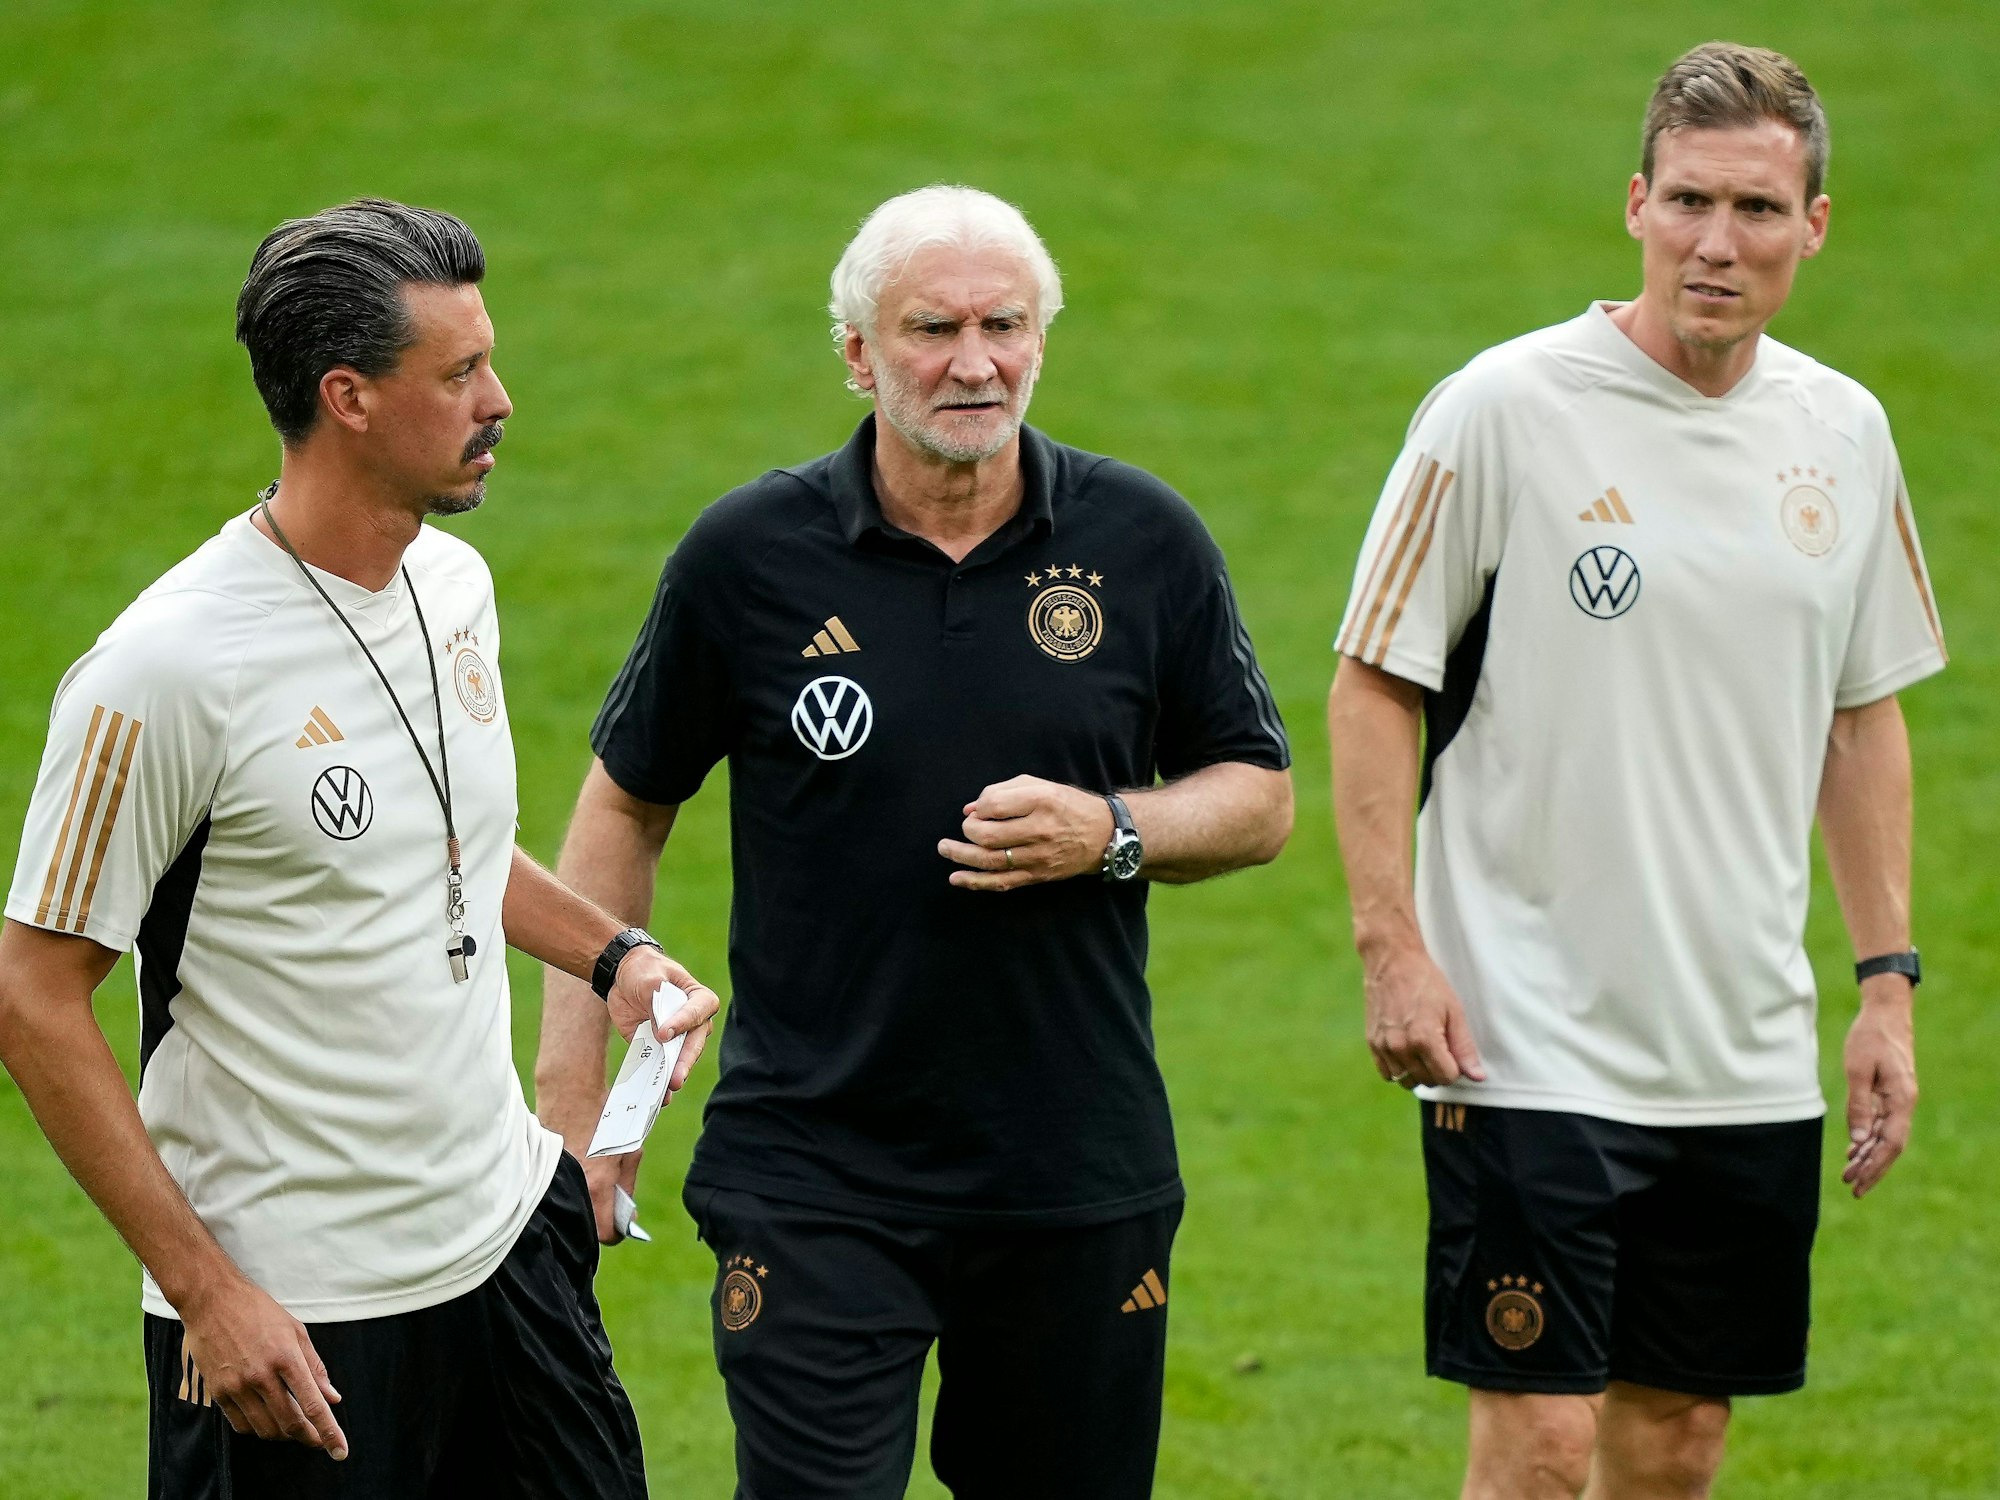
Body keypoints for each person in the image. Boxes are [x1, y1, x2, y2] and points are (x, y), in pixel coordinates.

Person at [534, 184, 1294, 1498]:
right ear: (857, 352)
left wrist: (1113, 828)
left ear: (1043, 339)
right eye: (931, 328)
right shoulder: (748, 558)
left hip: (1076, 1171)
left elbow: (1260, 794)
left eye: (1005, 325)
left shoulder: (1143, 542)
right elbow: (622, 804)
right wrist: (574, 1111)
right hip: (814, 1170)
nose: (974, 361)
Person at [0, 198, 720, 1498]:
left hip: (510, 1240)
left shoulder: (455, 586)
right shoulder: (165, 672)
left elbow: (445, 847)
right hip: (301, 1319)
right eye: (459, 374)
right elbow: (33, 998)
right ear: (350, 398)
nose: (500, 398)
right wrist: (209, 1295)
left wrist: (612, 954)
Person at [1327, 42, 1946, 1500]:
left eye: (1754, 209)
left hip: (1740, 1047)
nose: (1716, 245)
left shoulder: (1843, 433)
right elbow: (1372, 677)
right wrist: (1391, 946)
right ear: (1634, 206)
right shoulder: (1505, 408)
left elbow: (1863, 718)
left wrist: (1886, 984)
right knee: (1540, 1445)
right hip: (1525, 1033)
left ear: (1815, 225)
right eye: (1687, 203)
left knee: (1678, 1444)